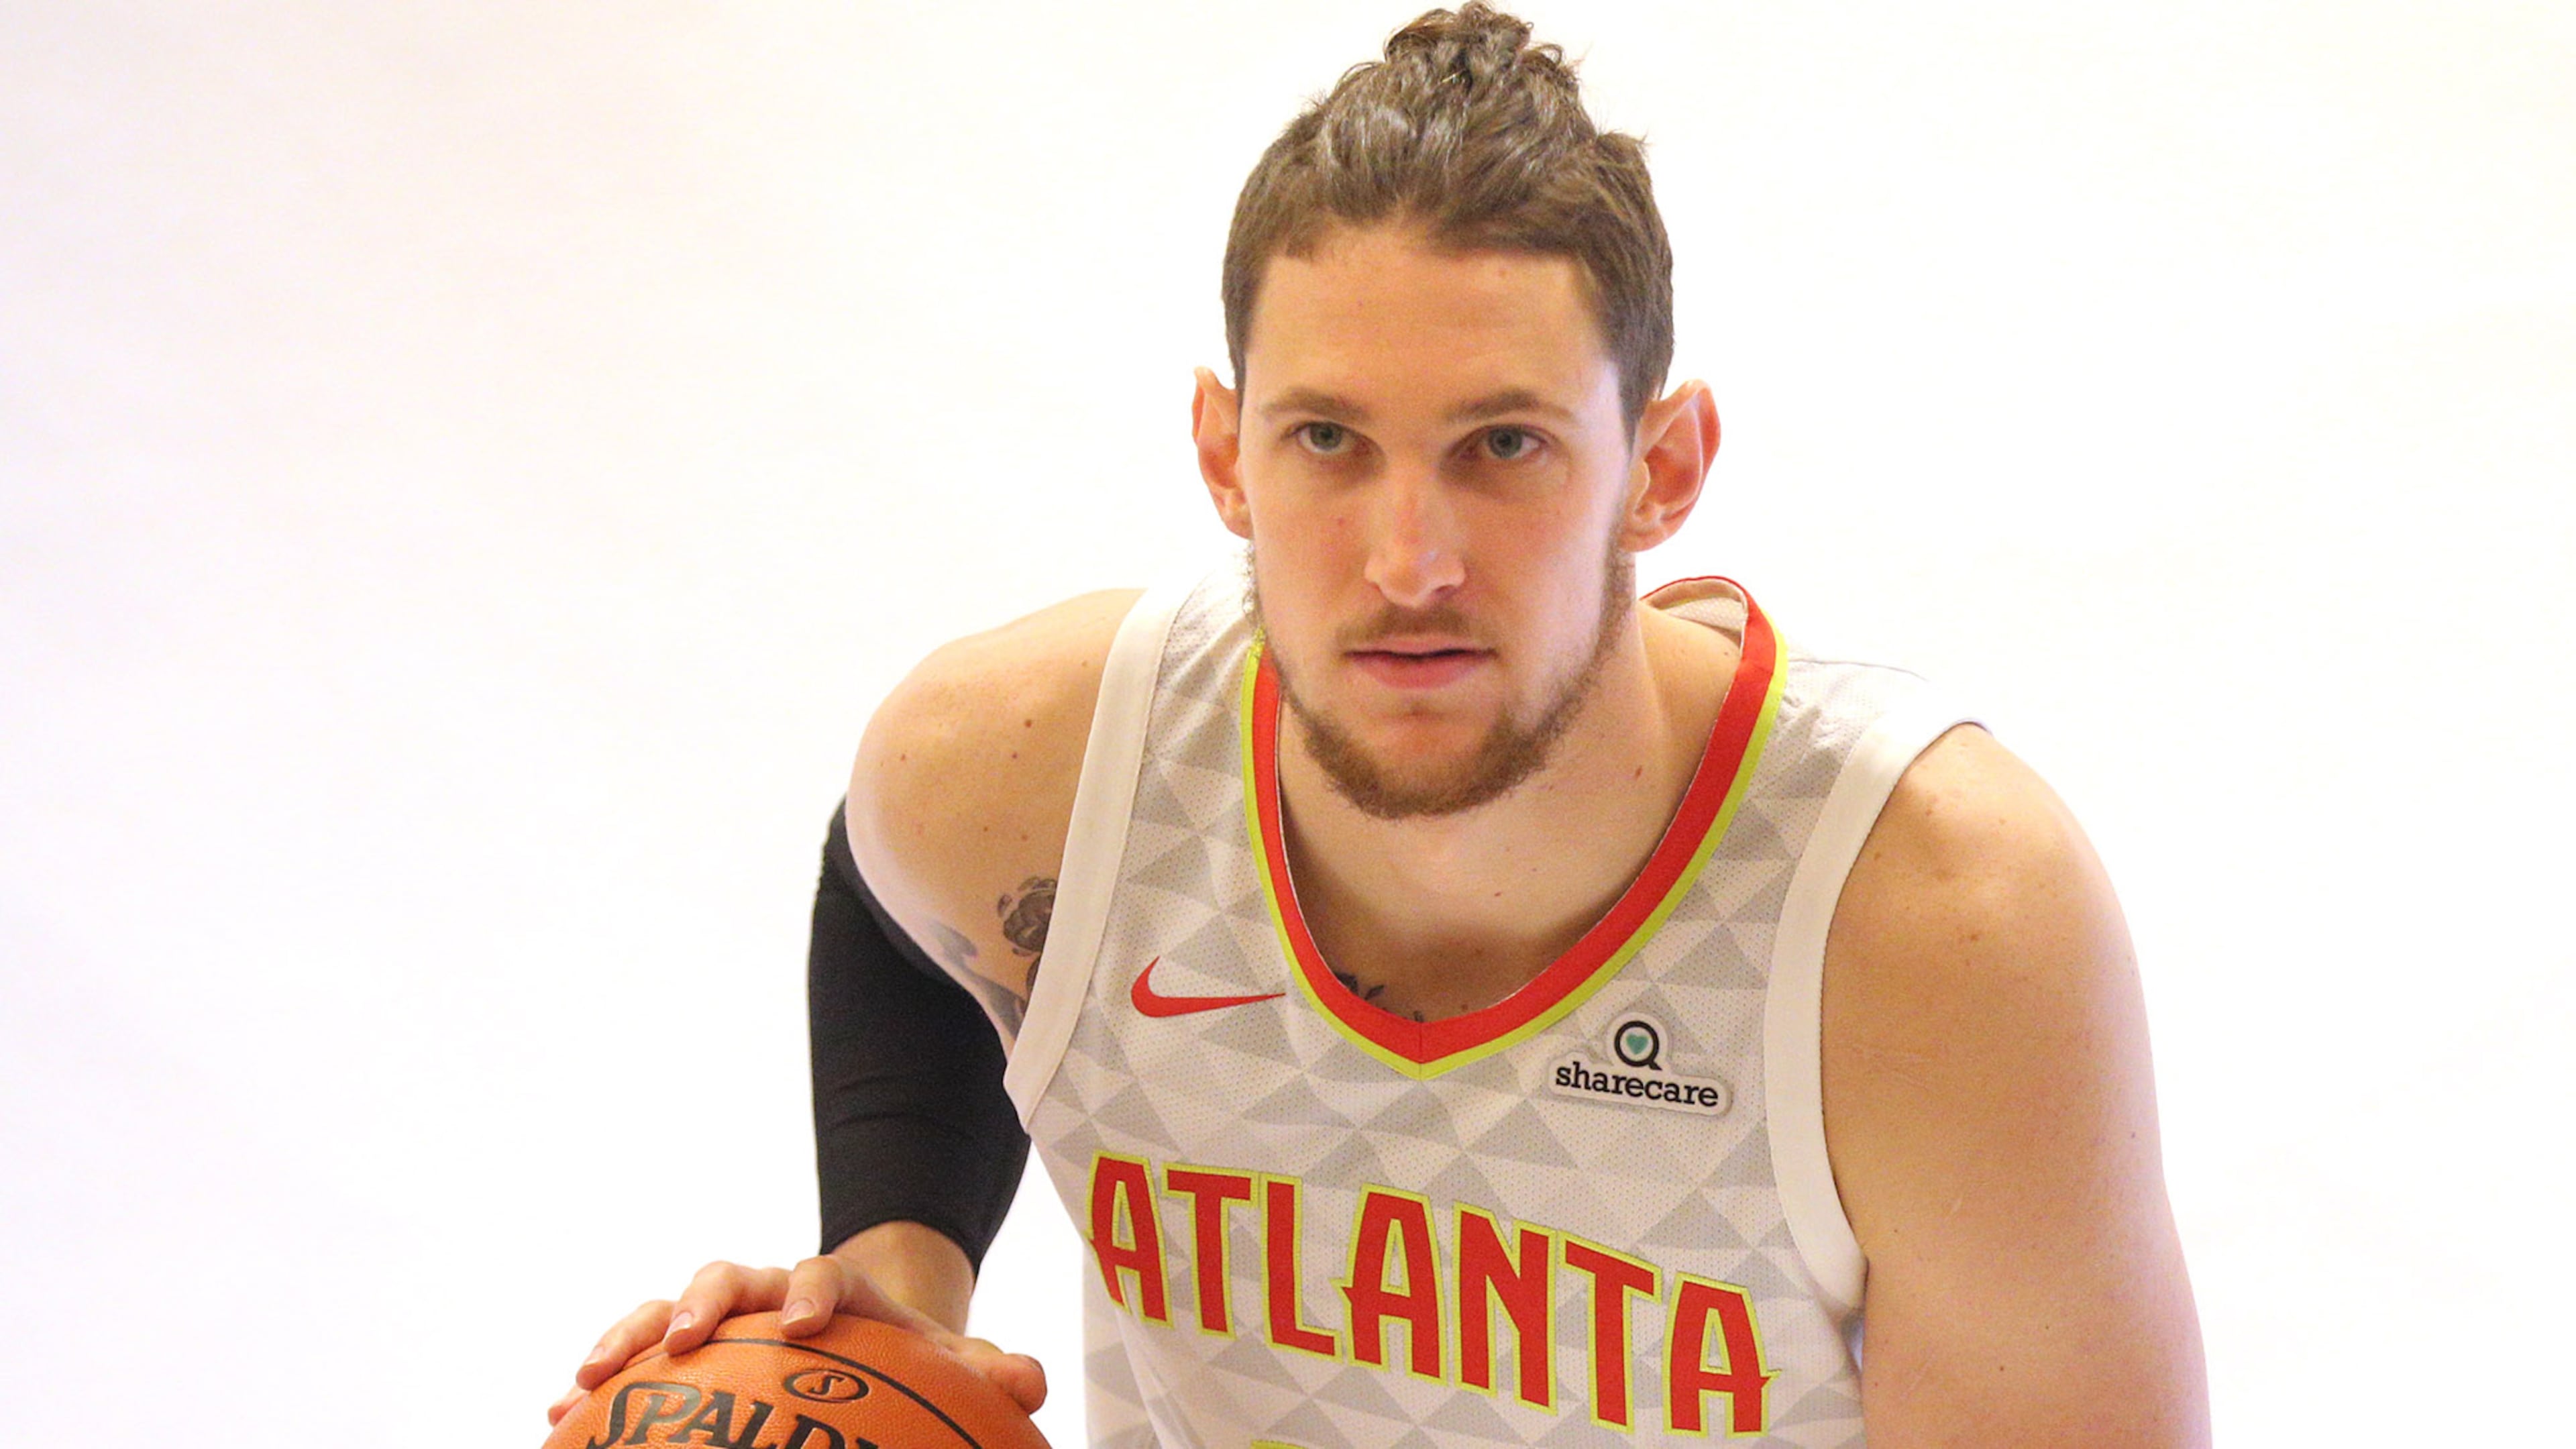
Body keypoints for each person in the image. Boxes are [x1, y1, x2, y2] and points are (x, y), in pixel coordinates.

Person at [553, 6, 2209, 1444]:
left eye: (1503, 446)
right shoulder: (1037, 768)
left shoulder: (1928, 927)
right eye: (1330, 440)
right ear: (1224, 455)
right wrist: (901, 1267)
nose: (1407, 560)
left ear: (1664, 469)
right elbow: (896, 895)